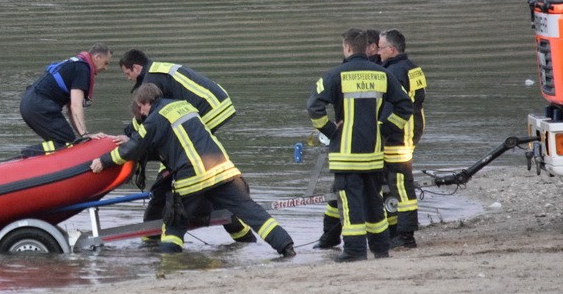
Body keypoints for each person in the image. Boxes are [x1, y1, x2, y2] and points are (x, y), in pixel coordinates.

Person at [92, 83, 296, 257]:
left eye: (141, 111)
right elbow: (173, 143)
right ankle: (286, 246)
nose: (142, 115)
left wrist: (104, 161)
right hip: (223, 170)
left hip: (192, 176)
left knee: (174, 223)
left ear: (143, 104)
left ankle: (169, 262)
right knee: (251, 211)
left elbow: (134, 147)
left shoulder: (155, 118)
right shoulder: (184, 106)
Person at [117, 49, 255, 244]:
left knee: (182, 153)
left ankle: (175, 197)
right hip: (217, 104)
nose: (128, 78)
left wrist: (130, 138)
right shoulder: (157, 70)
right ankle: (240, 230)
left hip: (209, 111)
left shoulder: (151, 80)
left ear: (136, 67)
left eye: (127, 73)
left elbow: (154, 119)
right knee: (187, 153)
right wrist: (129, 131)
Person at [306, 29, 413, 261]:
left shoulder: (335, 75)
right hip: (373, 154)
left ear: (347, 48)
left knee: (350, 202)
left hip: (346, 155)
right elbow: (405, 106)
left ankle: (354, 250)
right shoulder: (382, 74)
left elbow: (314, 107)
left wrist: (331, 130)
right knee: (374, 201)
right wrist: (384, 129)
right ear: (367, 48)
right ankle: (381, 249)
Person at [378, 29, 427, 249]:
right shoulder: (413, 67)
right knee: (395, 180)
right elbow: (419, 98)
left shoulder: (395, 72)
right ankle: (396, 229)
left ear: (392, 49)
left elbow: (392, 107)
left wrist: (382, 130)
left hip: (400, 132)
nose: (378, 53)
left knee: (399, 181)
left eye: (380, 48)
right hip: (413, 127)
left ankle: (405, 234)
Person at [20, 44, 112, 148]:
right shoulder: (82, 69)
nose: (106, 68)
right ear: (97, 57)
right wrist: (85, 135)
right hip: (40, 107)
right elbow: (76, 105)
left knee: (64, 142)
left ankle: (33, 158)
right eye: (106, 63)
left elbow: (71, 110)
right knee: (68, 144)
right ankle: (27, 155)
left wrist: (83, 136)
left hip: (28, 104)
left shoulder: (76, 64)